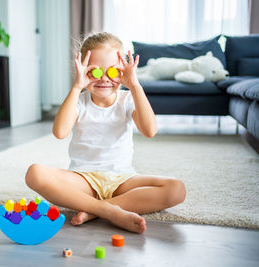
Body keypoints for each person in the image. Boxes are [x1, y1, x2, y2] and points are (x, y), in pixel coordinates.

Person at [25, 32, 186, 234]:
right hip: (83, 180)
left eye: (112, 72)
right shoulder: (80, 101)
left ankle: (94, 211)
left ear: (123, 71)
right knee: (35, 173)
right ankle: (108, 210)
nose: (104, 80)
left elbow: (149, 130)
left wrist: (134, 85)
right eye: (95, 72)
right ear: (83, 70)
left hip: (122, 180)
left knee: (177, 189)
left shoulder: (127, 99)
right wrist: (76, 87)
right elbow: (59, 132)